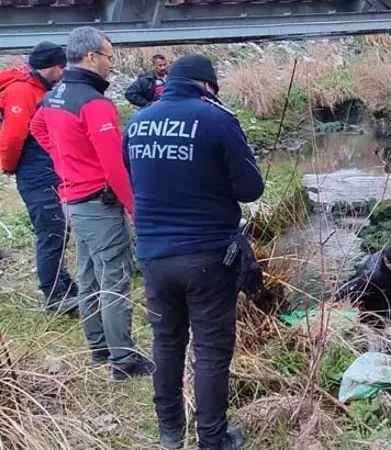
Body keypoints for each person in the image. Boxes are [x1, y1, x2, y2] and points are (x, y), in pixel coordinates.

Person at [124, 54, 264, 450]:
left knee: (166, 344)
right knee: (210, 352)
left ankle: (170, 434)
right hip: (206, 257)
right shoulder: (218, 120)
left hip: (153, 256)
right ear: (207, 86)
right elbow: (251, 189)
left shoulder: (136, 123)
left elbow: (135, 179)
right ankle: (212, 440)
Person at [30, 26, 152, 382]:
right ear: (92, 57)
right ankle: (124, 360)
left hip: (73, 200)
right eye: (110, 57)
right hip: (98, 202)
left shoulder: (55, 94)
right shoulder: (94, 103)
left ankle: (98, 346)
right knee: (114, 278)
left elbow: (37, 128)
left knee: (87, 275)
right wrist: (133, 207)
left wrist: (63, 161)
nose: (112, 65)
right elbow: (114, 165)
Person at [0, 41, 78, 315]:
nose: (64, 72)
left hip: (43, 170)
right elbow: (12, 137)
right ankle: (55, 296)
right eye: (62, 67)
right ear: (53, 67)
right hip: (35, 173)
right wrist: (10, 166)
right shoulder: (22, 91)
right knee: (51, 230)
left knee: (57, 229)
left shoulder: (35, 88)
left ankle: (63, 285)